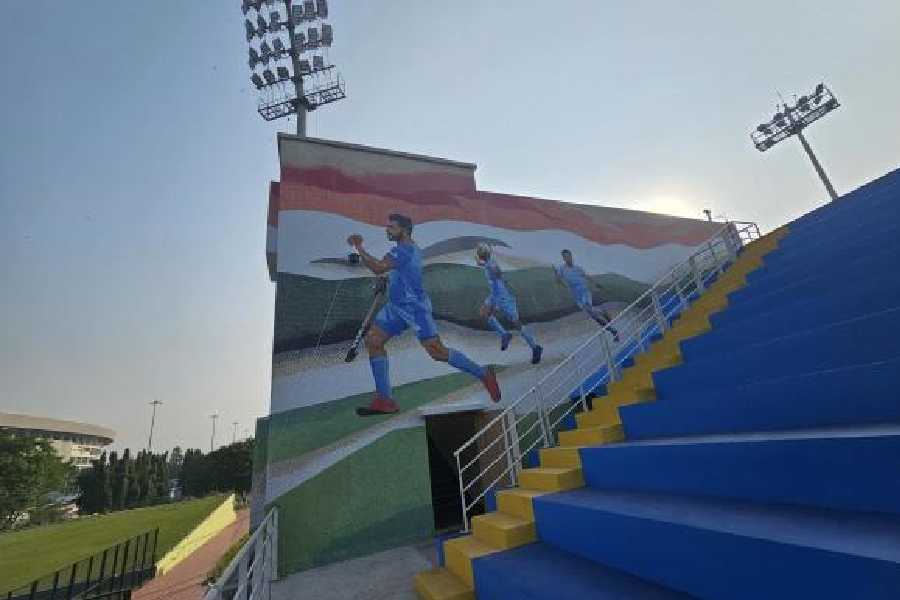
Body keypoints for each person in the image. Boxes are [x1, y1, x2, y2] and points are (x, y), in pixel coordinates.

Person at [347, 214, 501, 416]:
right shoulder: (403, 249)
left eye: (392, 227)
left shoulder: (405, 250)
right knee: (374, 340)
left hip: (415, 309)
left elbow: (378, 267)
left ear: (404, 230)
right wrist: (387, 280)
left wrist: (358, 246)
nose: (387, 230)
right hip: (396, 307)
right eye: (388, 227)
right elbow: (397, 271)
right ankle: (385, 400)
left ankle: (484, 374)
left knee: (437, 352)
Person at [475, 243, 543, 365]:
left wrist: (491, 270)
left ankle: (535, 347)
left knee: (516, 323)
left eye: (480, 253)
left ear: (483, 254)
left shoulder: (491, 264)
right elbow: (490, 269)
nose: (479, 255)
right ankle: (505, 335)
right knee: (484, 313)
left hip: (503, 297)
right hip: (495, 295)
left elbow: (497, 272)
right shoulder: (488, 262)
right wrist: (482, 264)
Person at [554, 249, 620, 341]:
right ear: (563, 259)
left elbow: (587, 277)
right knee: (594, 316)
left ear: (571, 256)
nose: (568, 258)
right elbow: (558, 279)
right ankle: (612, 330)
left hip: (584, 292)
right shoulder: (562, 269)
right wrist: (564, 285)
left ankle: (605, 315)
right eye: (565, 257)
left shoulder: (578, 268)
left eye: (569, 256)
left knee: (589, 309)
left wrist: (596, 284)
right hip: (577, 296)